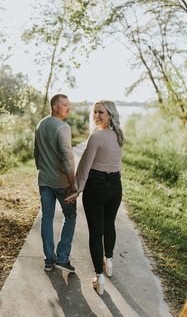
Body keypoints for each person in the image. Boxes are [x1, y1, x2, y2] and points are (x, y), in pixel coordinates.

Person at [65, 100, 124, 295]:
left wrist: (77, 189)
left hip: (97, 186)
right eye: (95, 112)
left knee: (96, 232)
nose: (96, 116)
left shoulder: (97, 136)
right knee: (109, 226)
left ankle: (99, 279)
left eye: (101, 112)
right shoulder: (118, 135)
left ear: (110, 115)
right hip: (115, 186)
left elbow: (85, 166)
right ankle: (109, 263)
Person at [34, 94, 77, 273]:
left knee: (47, 217)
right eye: (64, 105)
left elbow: (36, 153)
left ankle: (49, 260)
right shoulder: (63, 127)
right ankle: (63, 258)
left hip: (44, 181)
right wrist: (72, 185)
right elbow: (68, 158)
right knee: (71, 216)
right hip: (61, 183)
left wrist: (43, 170)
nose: (68, 108)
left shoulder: (40, 124)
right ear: (55, 107)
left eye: (69, 105)